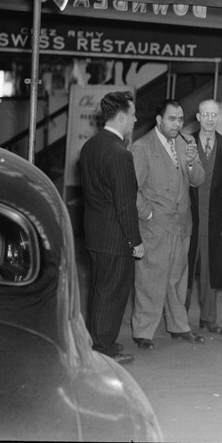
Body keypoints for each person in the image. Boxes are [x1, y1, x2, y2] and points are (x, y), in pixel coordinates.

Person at [129, 99, 206, 349]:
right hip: (155, 225)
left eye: (181, 119)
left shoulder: (186, 143)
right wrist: (148, 215)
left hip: (182, 224)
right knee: (150, 279)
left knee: (177, 278)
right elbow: (133, 189)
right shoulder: (141, 148)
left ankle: (178, 326)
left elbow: (198, 180)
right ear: (159, 120)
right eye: (172, 119)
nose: (177, 124)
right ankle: (143, 332)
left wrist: (193, 162)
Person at [78, 90, 144, 365]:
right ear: (120, 117)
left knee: (99, 290)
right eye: (132, 114)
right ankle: (104, 349)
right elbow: (125, 204)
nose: (135, 119)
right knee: (113, 292)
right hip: (115, 235)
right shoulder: (119, 154)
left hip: (95, 232)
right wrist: (135, 241)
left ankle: (98, 341)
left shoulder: (90, 146)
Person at [187, 98, 222, 335]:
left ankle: (208, 319)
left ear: (219, 118)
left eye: (213, 115)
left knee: (210, 269)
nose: (209, 118)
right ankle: (179, 319)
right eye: (204, 114)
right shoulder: (184, 143)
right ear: (198, 117)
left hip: (214, 219)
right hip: (188, 217)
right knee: (184, 270)